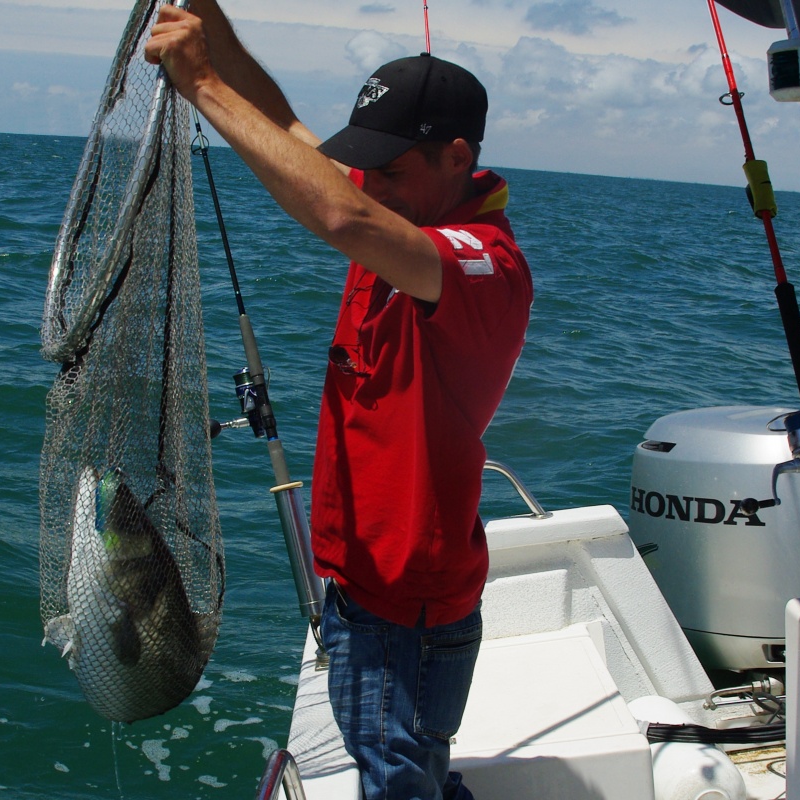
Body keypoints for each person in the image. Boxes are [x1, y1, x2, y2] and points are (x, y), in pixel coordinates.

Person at [146, 5, 532, 800]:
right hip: (362, 584)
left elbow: (340, 212)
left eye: (389, 169)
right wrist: (212, 26)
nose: (370, 182)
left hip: (407, 608)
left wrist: (202, 83)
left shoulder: (478, 262)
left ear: (458, 157)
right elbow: (290, 133)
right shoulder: (400, 211)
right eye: (368, 168)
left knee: (396, 777)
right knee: (393, 762)